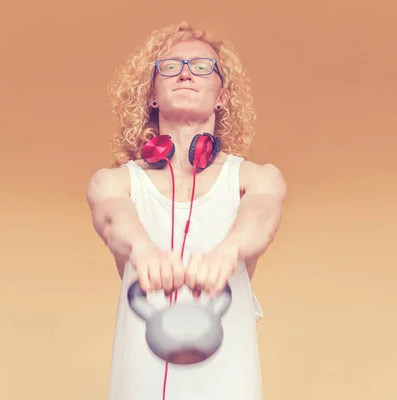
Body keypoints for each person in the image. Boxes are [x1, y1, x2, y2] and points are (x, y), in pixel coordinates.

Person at [86, 21, 286, 400]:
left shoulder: (257, 178)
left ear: (222, 96)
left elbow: (260, 216)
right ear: (152, 95)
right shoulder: (113, 183)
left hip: (228, 383)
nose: (184, 73)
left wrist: (229, 251)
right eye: (171, 66)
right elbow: (115, 217)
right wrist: (143, 249)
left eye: (201, 66)